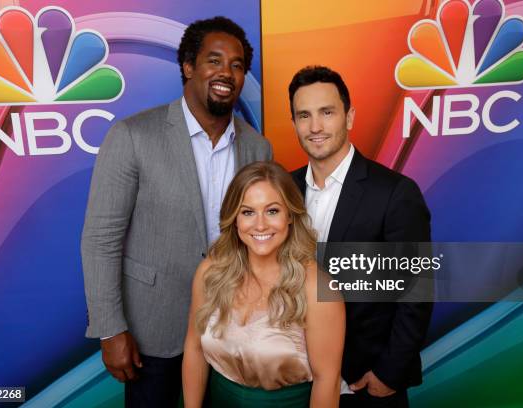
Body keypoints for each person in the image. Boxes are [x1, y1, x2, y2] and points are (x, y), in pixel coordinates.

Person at [81, 16, 272, 407]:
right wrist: (110, 329)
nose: (227, 73)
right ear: (188, 66)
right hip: (154, 331)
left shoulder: (258, 148)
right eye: (214, 60)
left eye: (237, 65)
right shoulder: (133, 136)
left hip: (235, 327)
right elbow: (101, 239)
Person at [288, 66, 433, 408]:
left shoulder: (395, 193)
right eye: (303, 115)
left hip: (364, 385)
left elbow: (417, 290)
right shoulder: (284, 189)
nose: (315, 127)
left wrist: (389, 374)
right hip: (298, 383)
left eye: (327, 112)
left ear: (349, 117)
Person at [182, 161, 345, 407]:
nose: (260, 225)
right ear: (234, 218)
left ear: (290, 215)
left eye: (272, 211)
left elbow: (327, 381)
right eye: (248, 212)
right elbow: (194, 349)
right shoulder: (211, 272)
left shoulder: (318, 290)